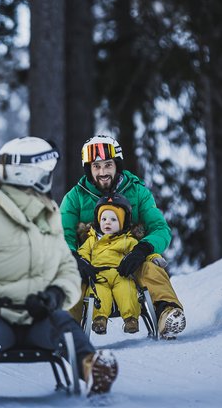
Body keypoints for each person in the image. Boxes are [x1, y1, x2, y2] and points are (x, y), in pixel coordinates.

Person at [0, 136, 118, 403]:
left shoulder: (48, 216)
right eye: (46, 171)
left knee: (64, 324)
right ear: (29, 173)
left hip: (38, 315)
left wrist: (55, 295)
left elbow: (67, 268)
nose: (49, 177)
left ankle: (92, 368)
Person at [61, 134, 187, 340]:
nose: (102, 172)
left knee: (151, 267)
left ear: (116, 166)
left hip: (130, 257)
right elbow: (62, 234)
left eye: (108, 165)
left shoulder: (137, 192)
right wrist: (74, 258)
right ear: (89, 169)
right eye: (96, 166)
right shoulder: (75, 198)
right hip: (91, 261)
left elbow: (160, 228)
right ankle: (66, 328)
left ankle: (167, 312)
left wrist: (143, 249)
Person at [78, 193, 153, 335]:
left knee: (127, 290)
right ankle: (100, 319)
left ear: (122, 223)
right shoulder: (92, 240)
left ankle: (131, 319)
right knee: (98, 293)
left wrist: (153, 257)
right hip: (98, 275)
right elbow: (83, 253)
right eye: (104, 219)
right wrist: (83, 263)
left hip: (121, 274)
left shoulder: (128, 240)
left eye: (113, 219)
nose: (107, 222)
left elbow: (140, 254)